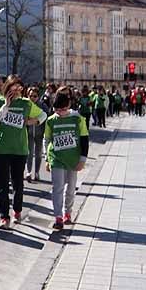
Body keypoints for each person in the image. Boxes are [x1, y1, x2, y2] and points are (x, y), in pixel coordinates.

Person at [0, 75, 45, 229]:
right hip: (1, 149)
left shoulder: (26, 103)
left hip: (20, 150)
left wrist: (31, 121)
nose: (17, 90)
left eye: (20, 88)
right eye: (14, 87)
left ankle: (17, 211)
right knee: (2, 185)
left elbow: (43, 115)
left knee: (18, 184)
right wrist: (6, 106)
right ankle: (4, 217)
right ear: (7, 87)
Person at [45, 90, 88, 230]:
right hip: (56, 158)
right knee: (57, 187)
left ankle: (67, 213)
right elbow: (48, 140)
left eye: (63, 109)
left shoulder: (78, 119)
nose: (60, 113)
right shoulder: (51, 120)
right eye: (57, 110)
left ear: (68, 105)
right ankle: (58, 217)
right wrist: (47, 158)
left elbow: (84, 140)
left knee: (70, 187)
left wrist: (82, 159)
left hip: (73, 158)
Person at [25, 85, 50, 183]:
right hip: (29, 133)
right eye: (30, 96)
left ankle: (37, 172)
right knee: (29, 153)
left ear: (38, 96)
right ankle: (29, 172)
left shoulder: (42, 105)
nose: (32, 98)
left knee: (38, 154)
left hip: (40, 133)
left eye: (35, 96)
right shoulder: (26, 105)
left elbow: (46, 117)